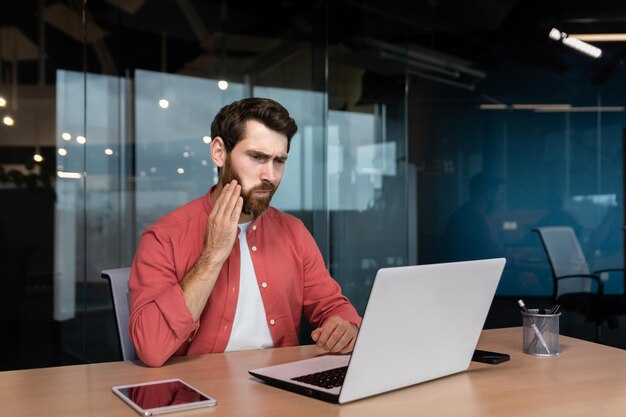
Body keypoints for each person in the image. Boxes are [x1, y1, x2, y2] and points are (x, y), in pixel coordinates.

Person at [129, 98, 361, 367]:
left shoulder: (293, 232)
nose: (270, 175)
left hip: (281, 388)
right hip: (202, 392)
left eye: (279, 161)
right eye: (257, 157)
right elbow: (151, 349)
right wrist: (213, 255)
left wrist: (345, 327)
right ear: (219, 152)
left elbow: (334, 307)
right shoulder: (164, 237)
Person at [445, 172, 505, 262]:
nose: (501, 198)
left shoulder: (463, 214)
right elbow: (493, 255)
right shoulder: (475, 220)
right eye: (499, 193)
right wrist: (516, 257)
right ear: (488, 194)